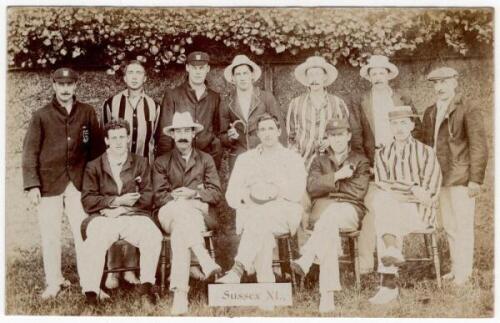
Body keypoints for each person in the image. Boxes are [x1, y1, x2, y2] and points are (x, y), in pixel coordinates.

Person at [22, 67, 104, 299]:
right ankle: (54, 282)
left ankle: (90, 283)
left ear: (76, 86)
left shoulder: (87, 112)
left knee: (84, 232)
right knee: (50, 234)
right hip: (49, 184)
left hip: (79, 184)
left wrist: (95, 182)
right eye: (61, 85)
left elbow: (97, 150)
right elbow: (30, 152)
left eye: (70, 85)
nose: (66, 89)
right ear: (54, 86)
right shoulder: (41, 115)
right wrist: (32, 185)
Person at [216, 113, 307, 311]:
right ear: (257, 133)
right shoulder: (245, 159)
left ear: (279, 131)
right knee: (261, 226)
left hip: (284, 213)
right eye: (263, 130)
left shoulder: (292, 158)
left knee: (260, 218)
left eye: (271, 129)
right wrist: (248, 196)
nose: (267, 134)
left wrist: (273, 191)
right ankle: (267, 294)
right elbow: (232, 195)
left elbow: (297, 191)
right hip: (254, 213)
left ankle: (238, 269)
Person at [290, 118, 371, 313]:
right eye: (333, 135)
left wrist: (329, 188)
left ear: (349, 136)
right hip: (326, 215)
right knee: (329, 229)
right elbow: (311, 186)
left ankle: (308, 256)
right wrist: (337, 176)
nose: (337, 139)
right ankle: (327, 296)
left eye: (341, 134)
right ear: (327, 137)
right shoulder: (319, 160)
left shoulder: (360, 160)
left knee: (330, 218)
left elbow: (357, 192)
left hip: (350, 210)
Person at [80, 119, 162, 306]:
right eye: (114, 138)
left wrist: (124, 208)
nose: (118, 142)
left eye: (122, 137)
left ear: (127, 138)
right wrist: (114, 202)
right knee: (95, 241)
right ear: (107, 140)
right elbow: (87, 200)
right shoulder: (94, 166)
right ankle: (91, 297)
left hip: (132, 216)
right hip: (104, 217)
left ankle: (146, 289)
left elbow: (148, 196)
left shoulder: (140, 162)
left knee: (152, 235)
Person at [355, 54, 423, 274]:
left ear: (388, 75)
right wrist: (369, 165)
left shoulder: (402, 98)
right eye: (373, 73)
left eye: (381, 72)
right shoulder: (361, 100)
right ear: (369, 77)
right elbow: (357, 138)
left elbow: (417, 128)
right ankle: (366, 262)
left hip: (401, 164)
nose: (378, 77)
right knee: (370, 207)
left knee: (394, 205)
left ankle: (392, 259)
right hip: (374, 163)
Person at [420, 67, 488, 285]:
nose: (440, 87)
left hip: (460, 176)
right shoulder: (430, 111)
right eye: (436, 84)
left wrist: (475, 179)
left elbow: (479, 146)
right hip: (439, 177)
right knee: (449, 224)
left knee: (463, 224)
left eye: (445, 82)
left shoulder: (468, 107)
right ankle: (456, 268)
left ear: (455, 83)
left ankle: (465, 272)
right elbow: (425, 144)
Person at [368, 106, 442, 304]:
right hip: (394, 208)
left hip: (419, 213)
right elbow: (383, 184)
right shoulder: (382, 154)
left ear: (411, 124)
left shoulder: (426, 152)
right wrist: (413, 187)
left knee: (384, 212)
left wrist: (402, 193)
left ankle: (388, 284)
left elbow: (431, 192)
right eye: (394, 123)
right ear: (390, 127)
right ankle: (392, 253)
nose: (399, 128)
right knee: (383, 202)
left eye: (403, 123)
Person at [153, 111, 223, 315]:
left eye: (186, 131)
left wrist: (194, 193)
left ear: (193, 134)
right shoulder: (162, 161)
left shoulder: (206, 159)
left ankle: (180, 295)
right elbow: (158, 196)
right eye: (178, 131)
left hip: (197, 217)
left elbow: (217, 193)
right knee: (182, 211)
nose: (182, 135)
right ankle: (203, 257)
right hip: (168, 214)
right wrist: (183, 200)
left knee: (181, 231)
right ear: (172, 135)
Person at [101, 60, 161, 289]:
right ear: (124, 78)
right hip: (117, 167)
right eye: (130, 73)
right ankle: (113, 271)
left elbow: (156, 139)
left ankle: (132, 269)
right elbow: (105, 136)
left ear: (145, 78)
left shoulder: (154, 105)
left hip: (141, 168)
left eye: (139, 73)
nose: (135, 77)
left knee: (139, 213)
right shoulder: (111, 103)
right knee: (116, 212)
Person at [286, 56, 368, 171]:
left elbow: (347, 132)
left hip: (331, 162)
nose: (314, 79)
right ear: (306, 79)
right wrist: (294, 158)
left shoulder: (337, 103)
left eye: (318, 74)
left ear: (325, 77)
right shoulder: (295, 103)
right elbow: (291, 137)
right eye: (310, 75)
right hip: (302, 162)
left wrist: (331, 141)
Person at [220, 55, 287, 172]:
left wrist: (281, 157)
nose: (242, 78)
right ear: (233, 78)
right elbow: (222, 136)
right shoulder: (226, 103)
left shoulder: (266, 98)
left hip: (265, 154)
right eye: (238, 74)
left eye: (245, 73)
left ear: (252, 75)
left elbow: (280, 129)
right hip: (239, 158)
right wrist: (230, 137)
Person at [156, 51, 222, 168]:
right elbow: (165, 134)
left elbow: (216, 130)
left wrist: (213, 158)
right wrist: (166, 164)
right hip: (178, 160)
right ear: (187, 68)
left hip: (205, 159)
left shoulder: (214, 97)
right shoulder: (173, 95)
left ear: (207, 69)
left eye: (201, 68)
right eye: (194, 67)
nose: (198, 72)